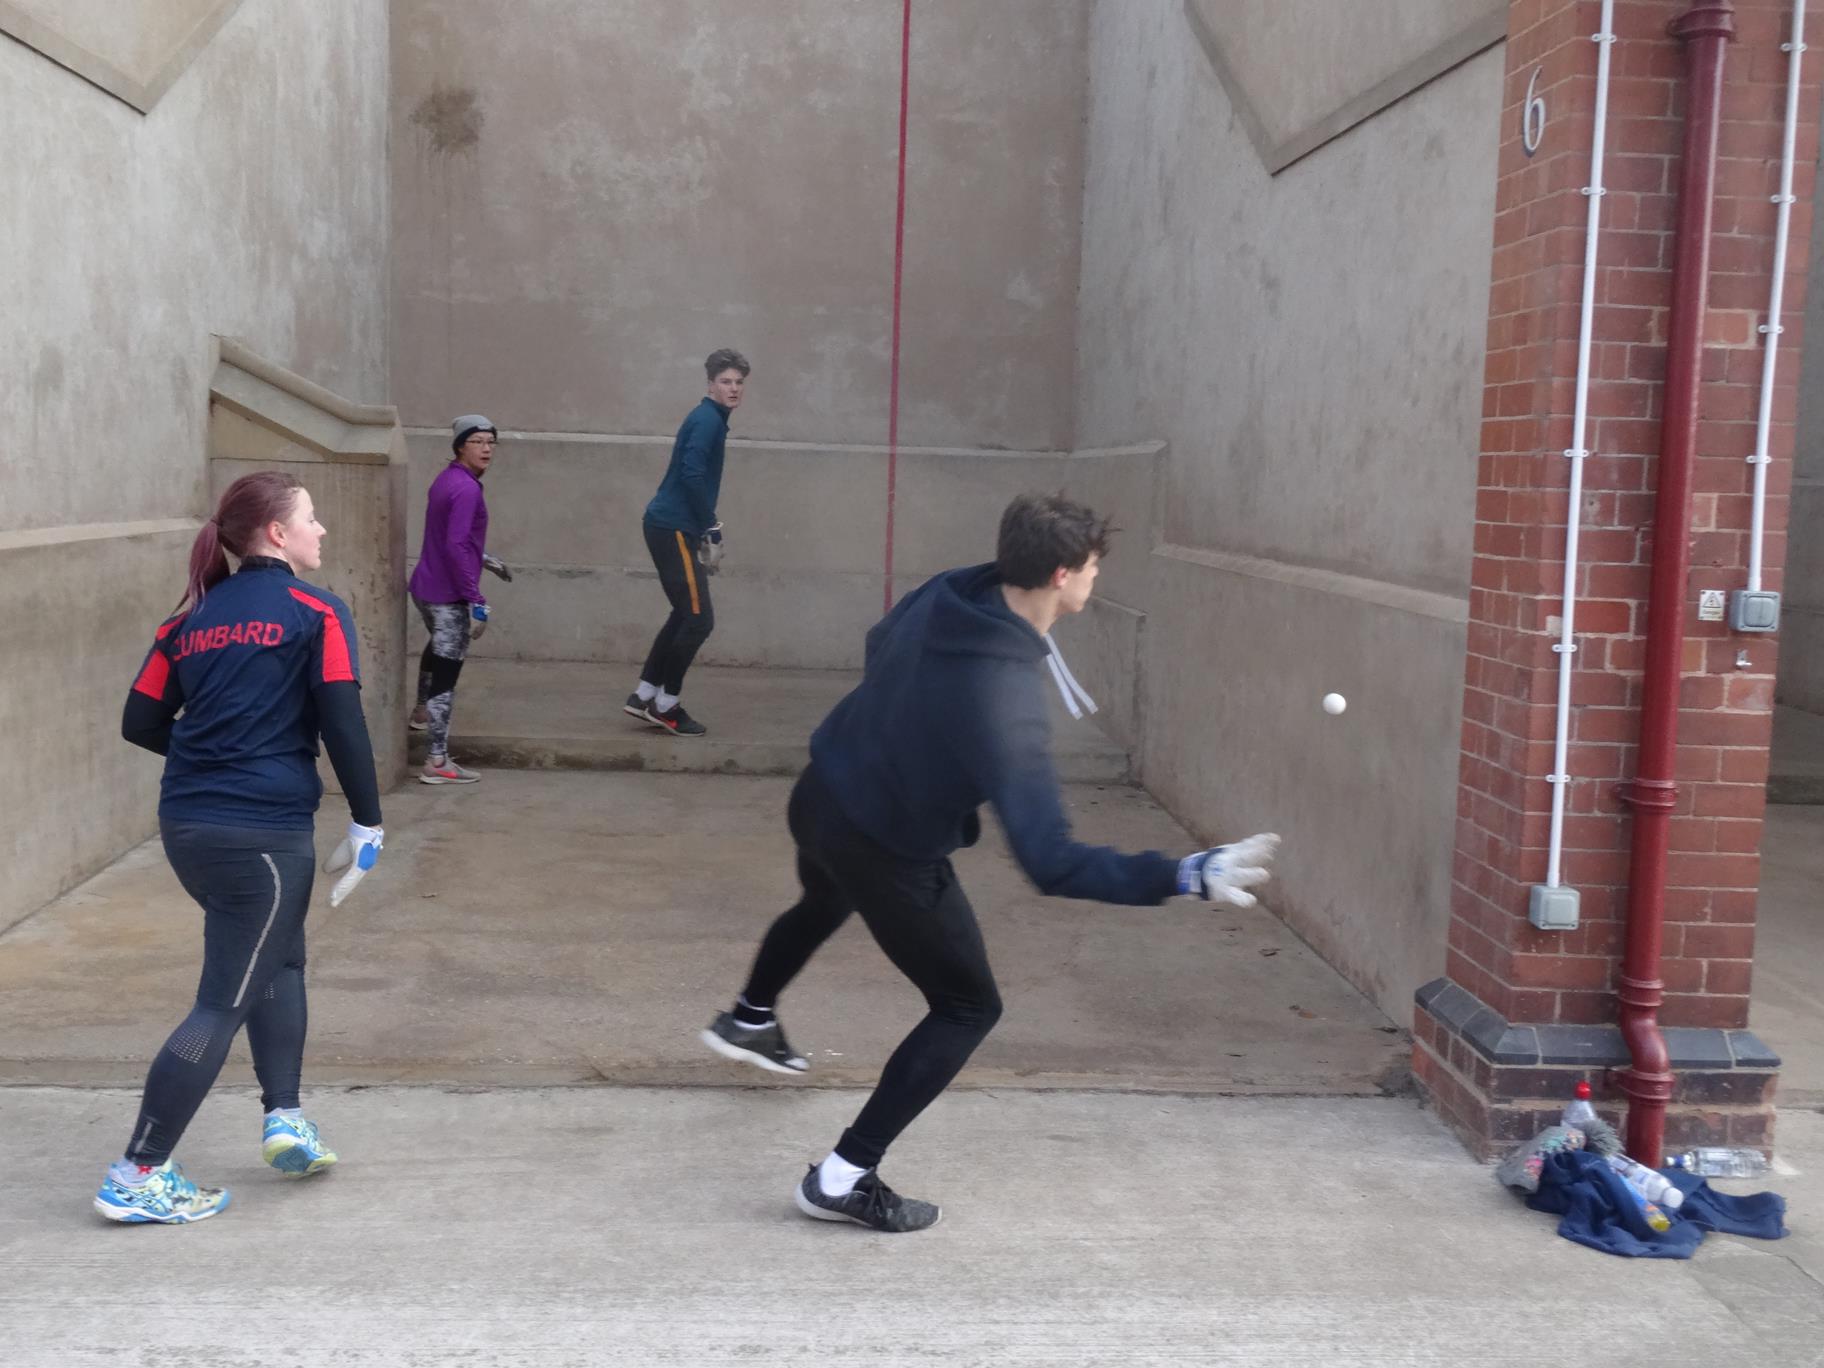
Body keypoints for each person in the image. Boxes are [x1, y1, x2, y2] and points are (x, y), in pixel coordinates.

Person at [699, 492, 1279, 1232]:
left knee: (823, 898)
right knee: (968, 1006)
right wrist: (1185, 874)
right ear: (1064, 575)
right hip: (887, 846)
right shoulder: (1004, 699)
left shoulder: (952, 588)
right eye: (1094, 567)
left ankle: (749, 1018)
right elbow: (1051, 861)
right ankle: (843, 1178)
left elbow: (881, 644)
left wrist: (912, 744)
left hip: (821, 797)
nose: (1097, 580)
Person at [94, 472, 386, 1224]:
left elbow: (140, 721)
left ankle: (284, 1117)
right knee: (222, 999)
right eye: (312, 520)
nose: (322, 531)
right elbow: (343, 721)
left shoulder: (190, 619)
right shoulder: (314, 611)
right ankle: (137, 1172)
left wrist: (214, 752)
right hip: (262, 835)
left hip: (190, 826)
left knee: (278, 957)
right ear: (278, 535)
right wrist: (367, 822)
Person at [622, 349, 749, 737]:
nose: (733, 389)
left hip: (671, 526)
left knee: (683, 614)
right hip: (672, 527)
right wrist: (711, 525)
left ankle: (644, 694)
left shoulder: (711, 418)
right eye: (726, 382)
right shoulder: (707, 420)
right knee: (698, 620)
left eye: (739, 383)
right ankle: (667, 705)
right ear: (710, 384)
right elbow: (692, 474)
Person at [408, 414, 508, 783]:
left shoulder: (448, 479)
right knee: (447, 676)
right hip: (448, 596)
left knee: (437, 649)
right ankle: (436, 761)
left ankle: (420, 713)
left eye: (491, 442)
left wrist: (484, 558)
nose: (486, 449)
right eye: (477, 441)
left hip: (425, 586)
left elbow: (453, 538)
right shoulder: (467, 490)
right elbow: (454, 545)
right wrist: (475, 598)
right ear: (460, 446)